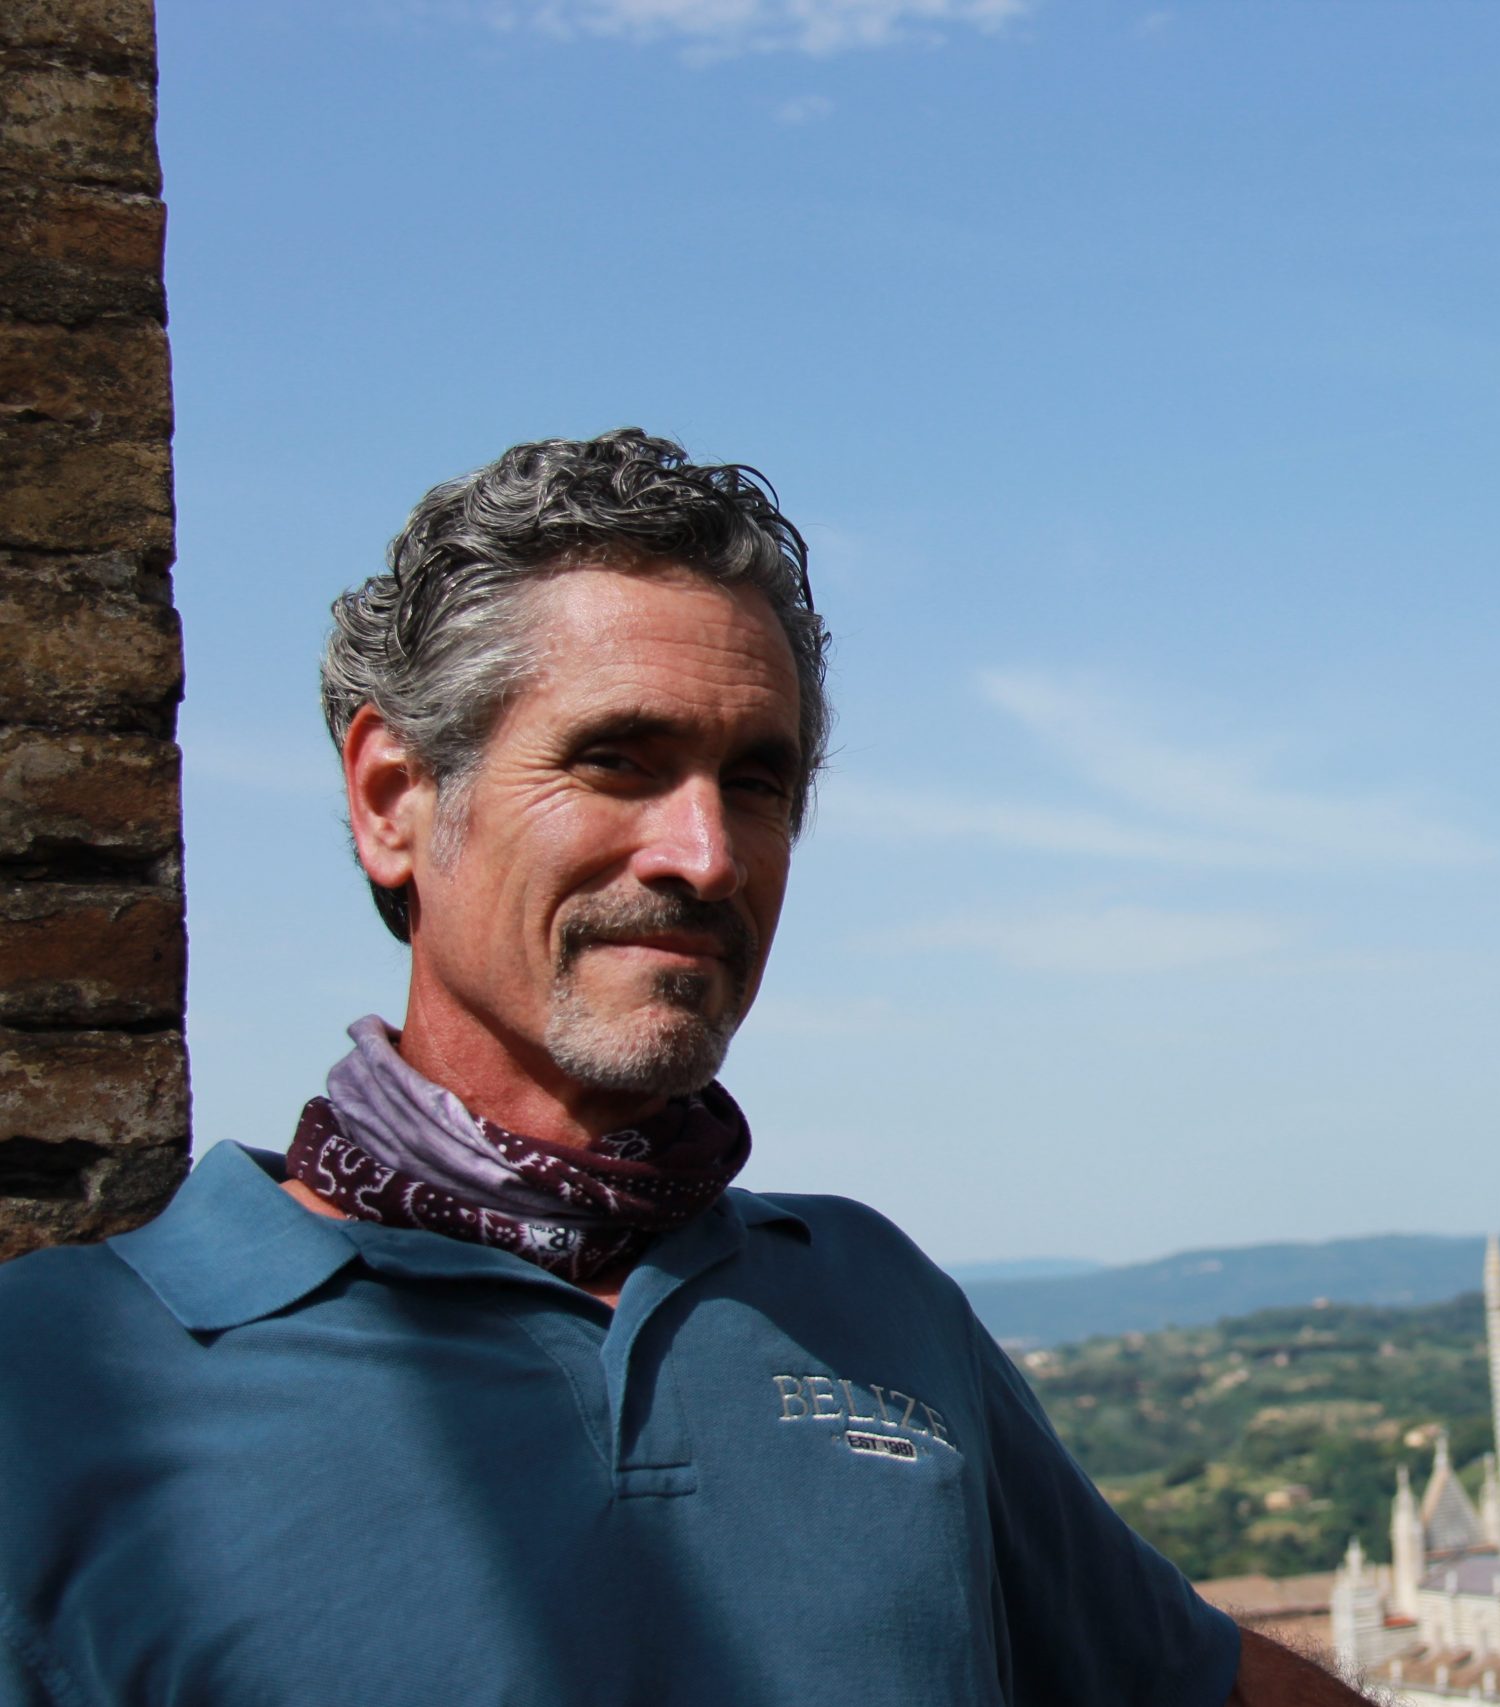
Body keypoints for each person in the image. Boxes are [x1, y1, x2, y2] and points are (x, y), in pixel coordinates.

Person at [0, 430, 1368, 1706]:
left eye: (757, 782)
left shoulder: (869, 1304)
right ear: (393, 799)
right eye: (619, 760)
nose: (705, 855)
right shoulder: (63, 1384)